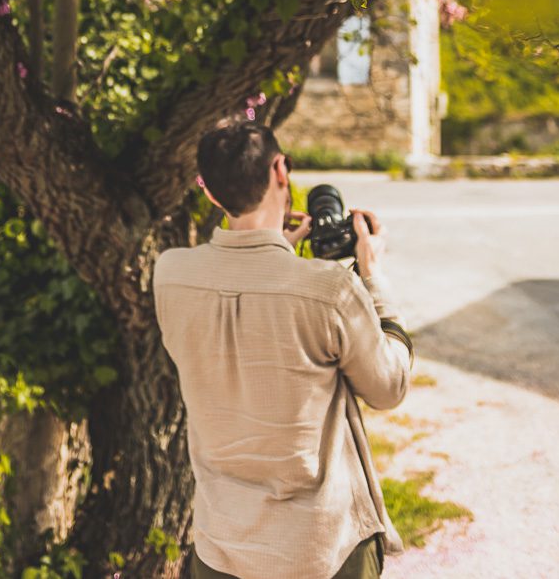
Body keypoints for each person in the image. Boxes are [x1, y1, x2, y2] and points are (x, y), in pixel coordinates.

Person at [153, 124, 414, 579]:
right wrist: (372, 276)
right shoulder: (329, 289)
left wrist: (279, 251)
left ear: (212, 194)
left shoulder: (170, 274)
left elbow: (241, 296)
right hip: (320, 551)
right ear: (280, 169)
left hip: (222, 547)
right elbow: (389, 387)